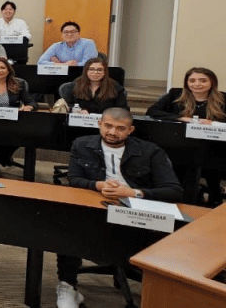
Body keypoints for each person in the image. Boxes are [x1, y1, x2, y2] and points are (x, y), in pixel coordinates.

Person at [54, 107, 182, 308]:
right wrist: (98, 185)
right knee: (68, 225)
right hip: (95, 204)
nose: (112, 132)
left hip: (136, 211)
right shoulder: (82, 145)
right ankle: (67, 286)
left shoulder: (150, 151)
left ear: (130, 130)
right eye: (108, 126)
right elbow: (74, 179)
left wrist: (133, 192)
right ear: (99, 124)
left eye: (120, 128)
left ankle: (157, 294)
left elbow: (173, 190)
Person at [146, 67, 225, 205]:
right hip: (181, 146)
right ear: (186, 82)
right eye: (192, 80)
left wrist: (213, 123)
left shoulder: (223, 98)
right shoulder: (175, 94)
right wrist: (180, 118)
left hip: (213, 147)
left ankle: (213, 198)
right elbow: (152, 111)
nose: (197, 84)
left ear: (212, 82)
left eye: (203, 80)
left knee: (211, 163)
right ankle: (181, 197)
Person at [64, 57, 128, 114]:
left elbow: (122, 109)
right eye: (91, 69)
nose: (95, 72)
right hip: (81, 122)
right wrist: (79, 110)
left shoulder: (115, 87)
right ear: (86, 71)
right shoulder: (76, 84)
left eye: (99, 70)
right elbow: (70, 104)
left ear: (105, 72)